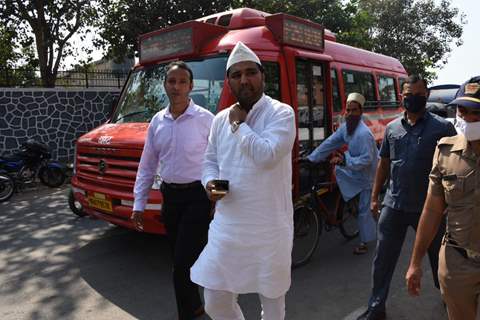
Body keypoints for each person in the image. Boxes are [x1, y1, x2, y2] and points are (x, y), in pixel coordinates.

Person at [190, 42, 296, 320]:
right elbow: (210, 160)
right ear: (229, 81)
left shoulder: (282, 113)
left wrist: (239, 125)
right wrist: (211, 183)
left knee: (273, 307)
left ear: (263, 76)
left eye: (250, 72)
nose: (244, 80)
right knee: (215, 301)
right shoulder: (220, 120)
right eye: (236, 75)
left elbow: (268, 156)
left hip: (269, 228)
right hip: (228, 226)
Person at [357, 75, 457, 320]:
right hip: (394, 205)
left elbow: (455, 163)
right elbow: (383, 164)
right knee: (382, 260)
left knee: (440, 261)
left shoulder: (442, 128)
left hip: (430, 209)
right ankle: (376, 307)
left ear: (426, 95)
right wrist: (374, 197)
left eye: (417, 94)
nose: (411, 98)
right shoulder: (392, 128)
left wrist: (451, 202)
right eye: (407, 94)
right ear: (401, 97)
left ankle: (451, 303)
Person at [131, 61, 214, 320]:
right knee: (181, 260)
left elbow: (223, 161)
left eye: (182, 82)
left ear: (190, 86)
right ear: (165, 85)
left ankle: (186, 315)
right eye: (171, 81)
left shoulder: (206, 120)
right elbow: (147, 165)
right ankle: (196, 305)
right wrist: (138, 204)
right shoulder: (157, 121)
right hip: (171, 198)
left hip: (198, 199)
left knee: (180, 265)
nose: (176, 87)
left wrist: (219, 202)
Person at [406, 76, 480, 320]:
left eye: (476, 111)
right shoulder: (445, 152)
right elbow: (432, 211)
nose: (468, 118)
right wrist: (415, 262)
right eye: (462, 110)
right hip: (457, 262)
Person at [305, 92, 378, 254]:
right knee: (337, 169)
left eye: (354, 110)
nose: (350, 114)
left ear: (361, 112)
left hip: (367, 174)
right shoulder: (347, 128)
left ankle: (365, 242)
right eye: (348, 110)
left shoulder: (364, 134)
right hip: (353, 168)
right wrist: (312, 158)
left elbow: (366, 160)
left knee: (363, 210)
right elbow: (330, 143)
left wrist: (344, 161)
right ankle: (345, 197)